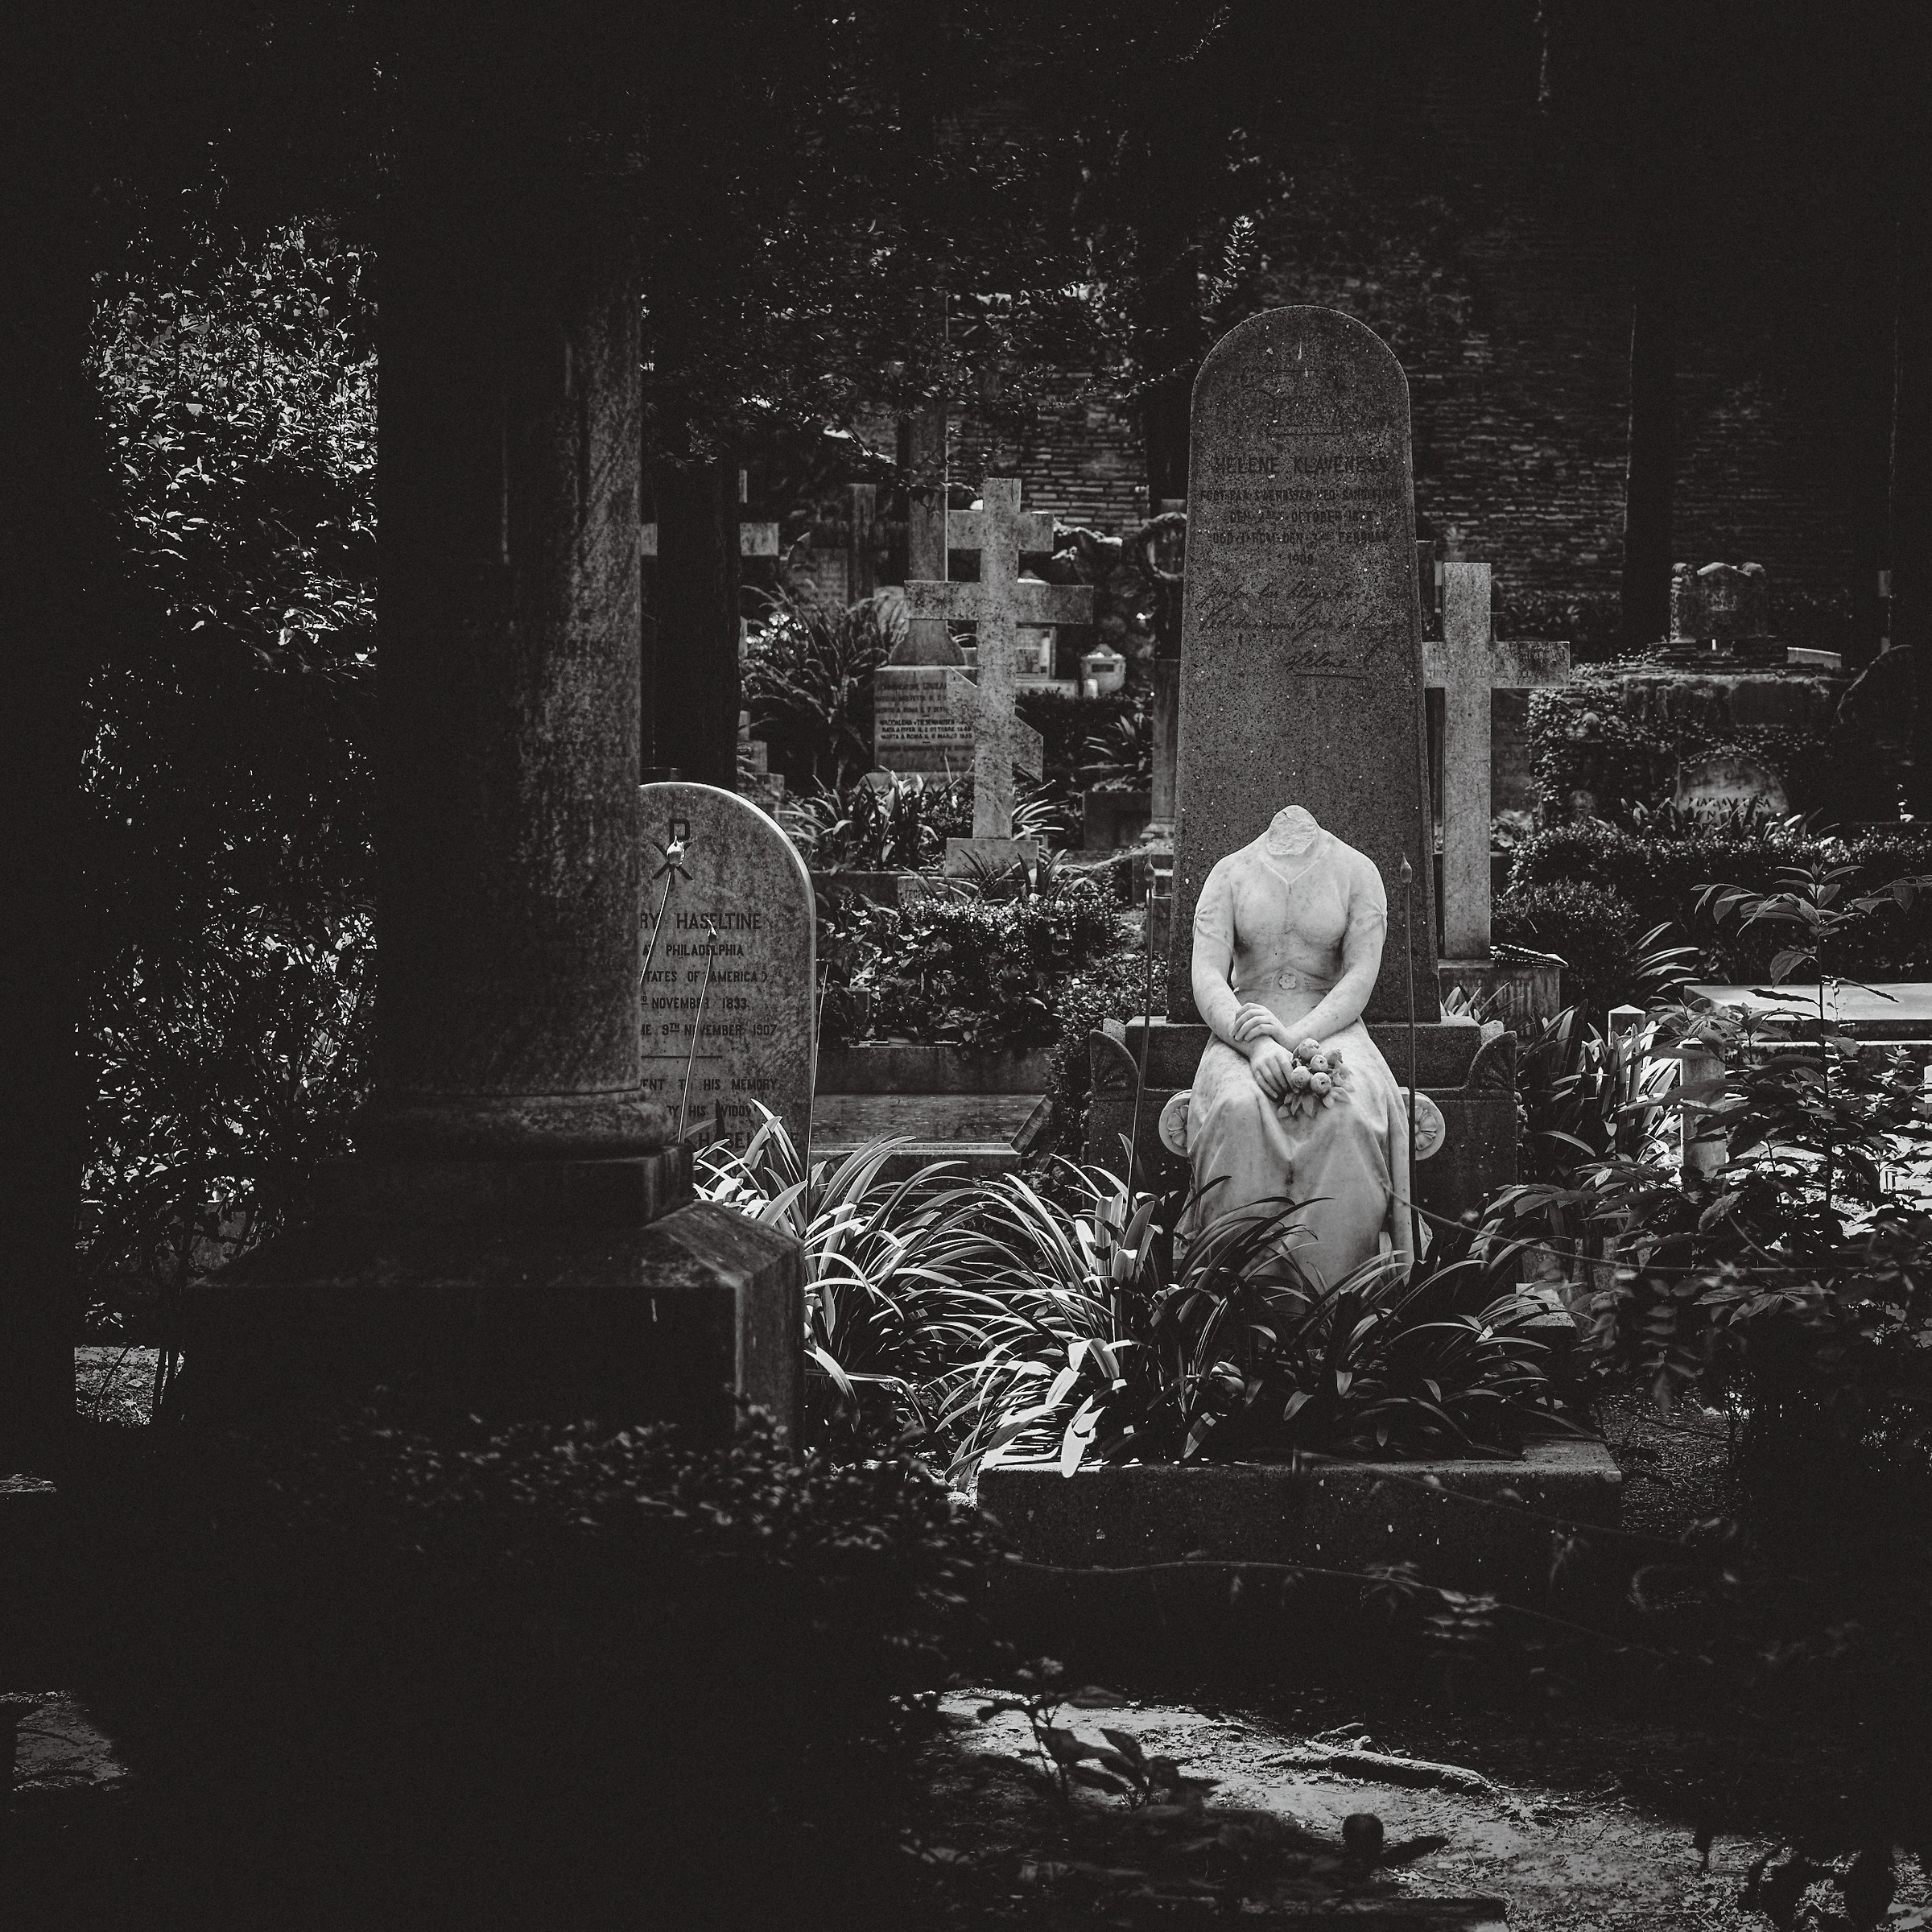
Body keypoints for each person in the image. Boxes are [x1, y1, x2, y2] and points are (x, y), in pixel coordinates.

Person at [1183, 803, 1415, 1286]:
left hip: (1332, 1026)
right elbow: (1206, 975)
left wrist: (1291, 1039)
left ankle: (1334, 1295)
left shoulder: (1357, 871)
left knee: (1348, 1118)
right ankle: (1240, 1297)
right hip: (1243, 1026)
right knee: (1238, 1109)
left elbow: (1360, 976)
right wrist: (1257, 1046)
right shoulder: (1229, 873)